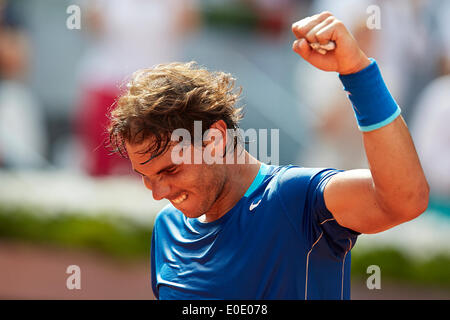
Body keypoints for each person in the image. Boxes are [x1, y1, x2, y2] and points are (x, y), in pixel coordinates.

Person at [107, 12, 429, 299]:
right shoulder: (167, 229)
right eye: (147, 179)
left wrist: (357, 72)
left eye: (170, 171)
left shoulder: (295, 198)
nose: (158, 194)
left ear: (215, 139)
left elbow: (405, 199)